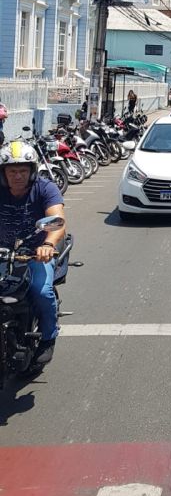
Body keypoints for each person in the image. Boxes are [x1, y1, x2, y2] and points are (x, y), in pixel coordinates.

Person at [0, 140, 66, 365]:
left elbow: (58, 220)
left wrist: (47, 245)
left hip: (34, 253)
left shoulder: (45, 188)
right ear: (4, 172)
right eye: (11, 171)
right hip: (3, 252)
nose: (17, 175)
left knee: (41, 290)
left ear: (31, 171)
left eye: (22, 170)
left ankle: (48, 337)